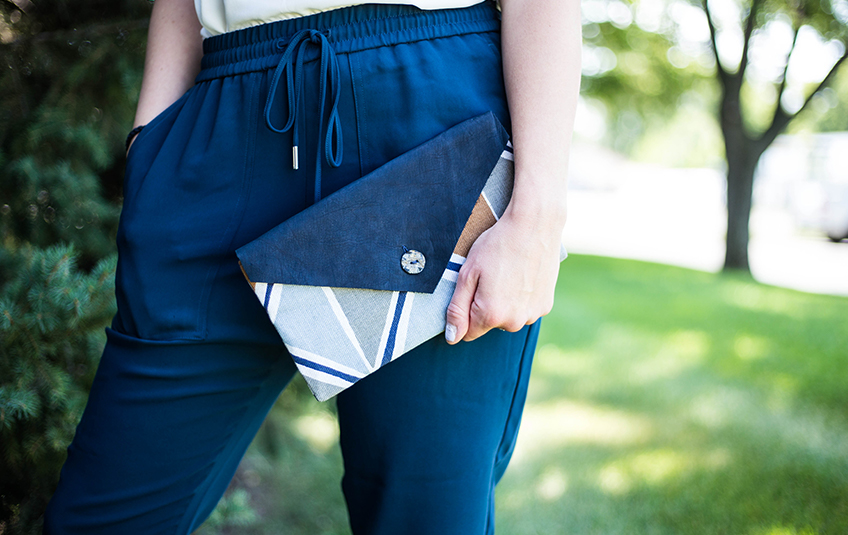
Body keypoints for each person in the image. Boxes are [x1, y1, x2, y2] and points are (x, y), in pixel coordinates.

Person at [43, 0, 580, 533]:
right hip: (225, 122)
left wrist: (536, 213)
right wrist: (149, 148)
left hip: (430, 126)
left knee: (423, 514)